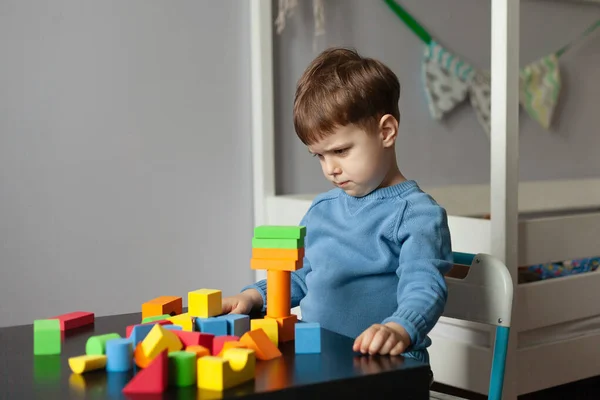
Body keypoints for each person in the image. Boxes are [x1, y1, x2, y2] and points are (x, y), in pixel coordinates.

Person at [222, 47, 453, 362]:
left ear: (386, 131)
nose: (330, 168)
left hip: (385, 364)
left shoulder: (416, 214)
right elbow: (305, 275)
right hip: (321, 356)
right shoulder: (322, 209)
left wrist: (399, 329)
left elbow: (424, 286)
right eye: (320, 155)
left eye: (341, 151)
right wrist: (254, 296)